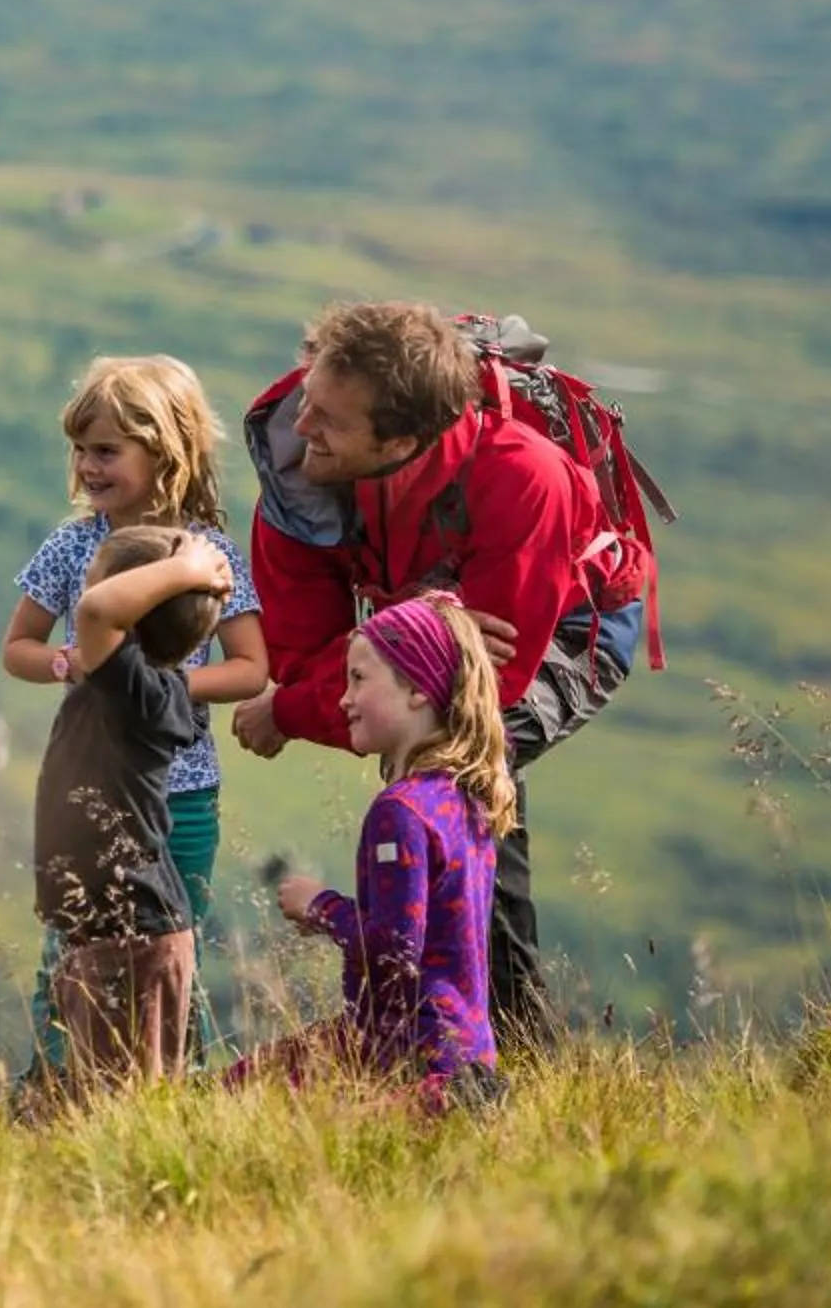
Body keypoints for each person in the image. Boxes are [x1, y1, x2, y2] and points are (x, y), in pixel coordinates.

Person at [229, 300, 646, 1048]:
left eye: (330, 421)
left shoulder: (522, 479)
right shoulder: (303, 476)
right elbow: (307, 658)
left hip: (575, 626)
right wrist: (416, 641)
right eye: (307, 401)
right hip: (434, 628)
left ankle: (492, 1041)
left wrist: (298, 705)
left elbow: (485, 691)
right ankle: (446, 1026)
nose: (302, 430)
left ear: (404, 439)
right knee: (420, 741)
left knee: (455, 769)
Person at [1, 355, 268, 1070]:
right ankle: (53, 1080)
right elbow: (19, 646)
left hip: (182, 796)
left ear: (166, 451)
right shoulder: (72, 545)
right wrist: (67, 665)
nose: (88, 466)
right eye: (81, 449)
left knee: (169, 949)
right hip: (92, 798)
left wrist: (159, 687)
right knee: (72, 953)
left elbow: (250, 668)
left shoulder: (209, 557)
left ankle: (172, 1087)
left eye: (107, 450)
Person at [233, 596, 513, 1112]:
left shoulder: (401, 811)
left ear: (415, 689)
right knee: (253, 1079)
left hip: (406, 1049)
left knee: (233, 1098)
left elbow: (393, 950)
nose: (343, 699)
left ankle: (434, 1104)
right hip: (466, 1047)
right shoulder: (462, 800)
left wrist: (320, 906)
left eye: (359, 679)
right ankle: (465, 1097)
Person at [33, 523, 225, 1089]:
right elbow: (99, 613)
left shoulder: (138, 689)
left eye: (95, 583)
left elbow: (96, 612)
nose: (80, 612)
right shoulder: (137, 689)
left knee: (118, 1100)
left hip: (130, 932)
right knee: (112, 1094)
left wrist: (188, 570)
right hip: (114, 931)